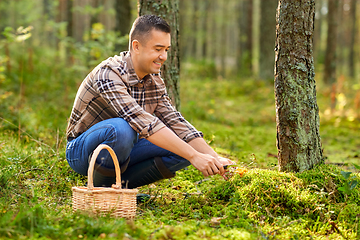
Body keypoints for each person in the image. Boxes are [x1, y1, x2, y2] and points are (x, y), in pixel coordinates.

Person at [65, 15, 233, 189]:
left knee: (183, 146)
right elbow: (143, 122)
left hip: (127, 146)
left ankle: (120, 189)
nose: (164, 57)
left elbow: (175, 121)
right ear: (136, 46)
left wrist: (212, 156)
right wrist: (193, 156)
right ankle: (100, 190)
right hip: (82, 151)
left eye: (166, 50)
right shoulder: (109, 74)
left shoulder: (154, 80)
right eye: (158, 49)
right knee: (121, 129)